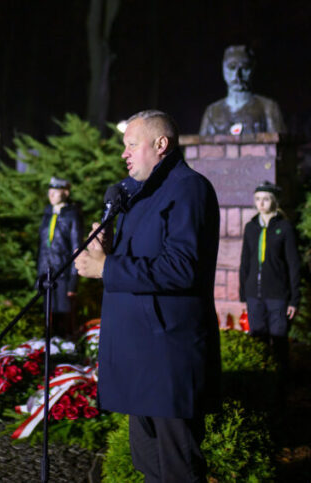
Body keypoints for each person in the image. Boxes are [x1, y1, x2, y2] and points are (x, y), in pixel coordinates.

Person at [75, 110, 221, 482]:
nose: (124, 155)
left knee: (177, 468)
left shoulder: (188, 189)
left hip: (168, 358)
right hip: (141, 357)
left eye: (131, 145)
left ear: (161, 145)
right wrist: (108, 249)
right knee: (147, 464)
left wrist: (107, 268)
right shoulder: (140, 197)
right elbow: (141, 263)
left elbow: (181, 268)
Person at [238, 182, 300, 376]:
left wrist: (294, 299)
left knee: (279, 340)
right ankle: (260, 380)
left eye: (265, 199)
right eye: (257, 199)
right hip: (253, 295)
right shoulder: (251, 227)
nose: (261, 203)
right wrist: (243, 296)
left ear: (274, 201)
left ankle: (282, 382)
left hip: (277, 295)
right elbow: (245, 262)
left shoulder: (284, 227)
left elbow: (293, 264)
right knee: (257, 339)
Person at [199, 45, 285, 136]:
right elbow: (200, 146)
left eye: (244, 68)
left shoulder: (268, 108)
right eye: (232, 67)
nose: (237, 75)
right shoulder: (212, 112)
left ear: (253, 69)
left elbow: (280, 146)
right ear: (223, 69)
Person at [36, 177, 82, 338]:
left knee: (64, 318)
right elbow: (41, 247)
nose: (52, 195)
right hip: (46, 274)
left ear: (66, 192)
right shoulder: (47, 214)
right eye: (50, 192)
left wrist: (72, 283)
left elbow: (76, 248)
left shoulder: (72, 215)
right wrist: (39, 275)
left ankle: (67, 352)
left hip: (62, 274)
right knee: (49, 319)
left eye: (56, 192)